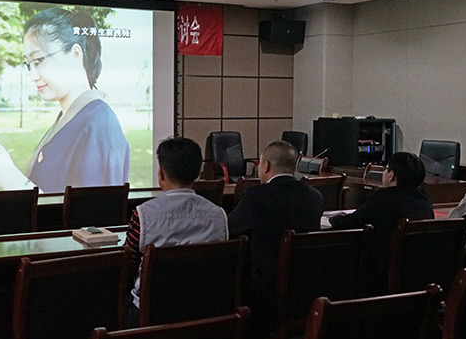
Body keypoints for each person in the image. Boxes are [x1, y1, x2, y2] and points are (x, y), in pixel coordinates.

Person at [0, 7, 130, 193]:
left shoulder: (99, 124)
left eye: (38, 61)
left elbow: (92, 210)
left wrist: (9, 176)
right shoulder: (73, 117)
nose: (32, 76)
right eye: (29, 65)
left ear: (75, 54)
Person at [124, 136, 228, 326]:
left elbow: (128, 265)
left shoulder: (143, 214)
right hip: (205, 310)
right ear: (197, 174)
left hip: (152, 313)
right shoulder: (219, 215)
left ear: (161, 173)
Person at [228, 140, 323, 323]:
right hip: (307, 288)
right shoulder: (315, 197)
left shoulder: (256, 197)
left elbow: (229, 228)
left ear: (266, 165)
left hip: (266, 293)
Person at [329, 152, 433, 295]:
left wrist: (334, 219)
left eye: (386, 169)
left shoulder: (382, 199)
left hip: (379, 275)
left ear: (391, 175)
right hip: (416, 274)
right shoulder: (425, 202)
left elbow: (349, 223)